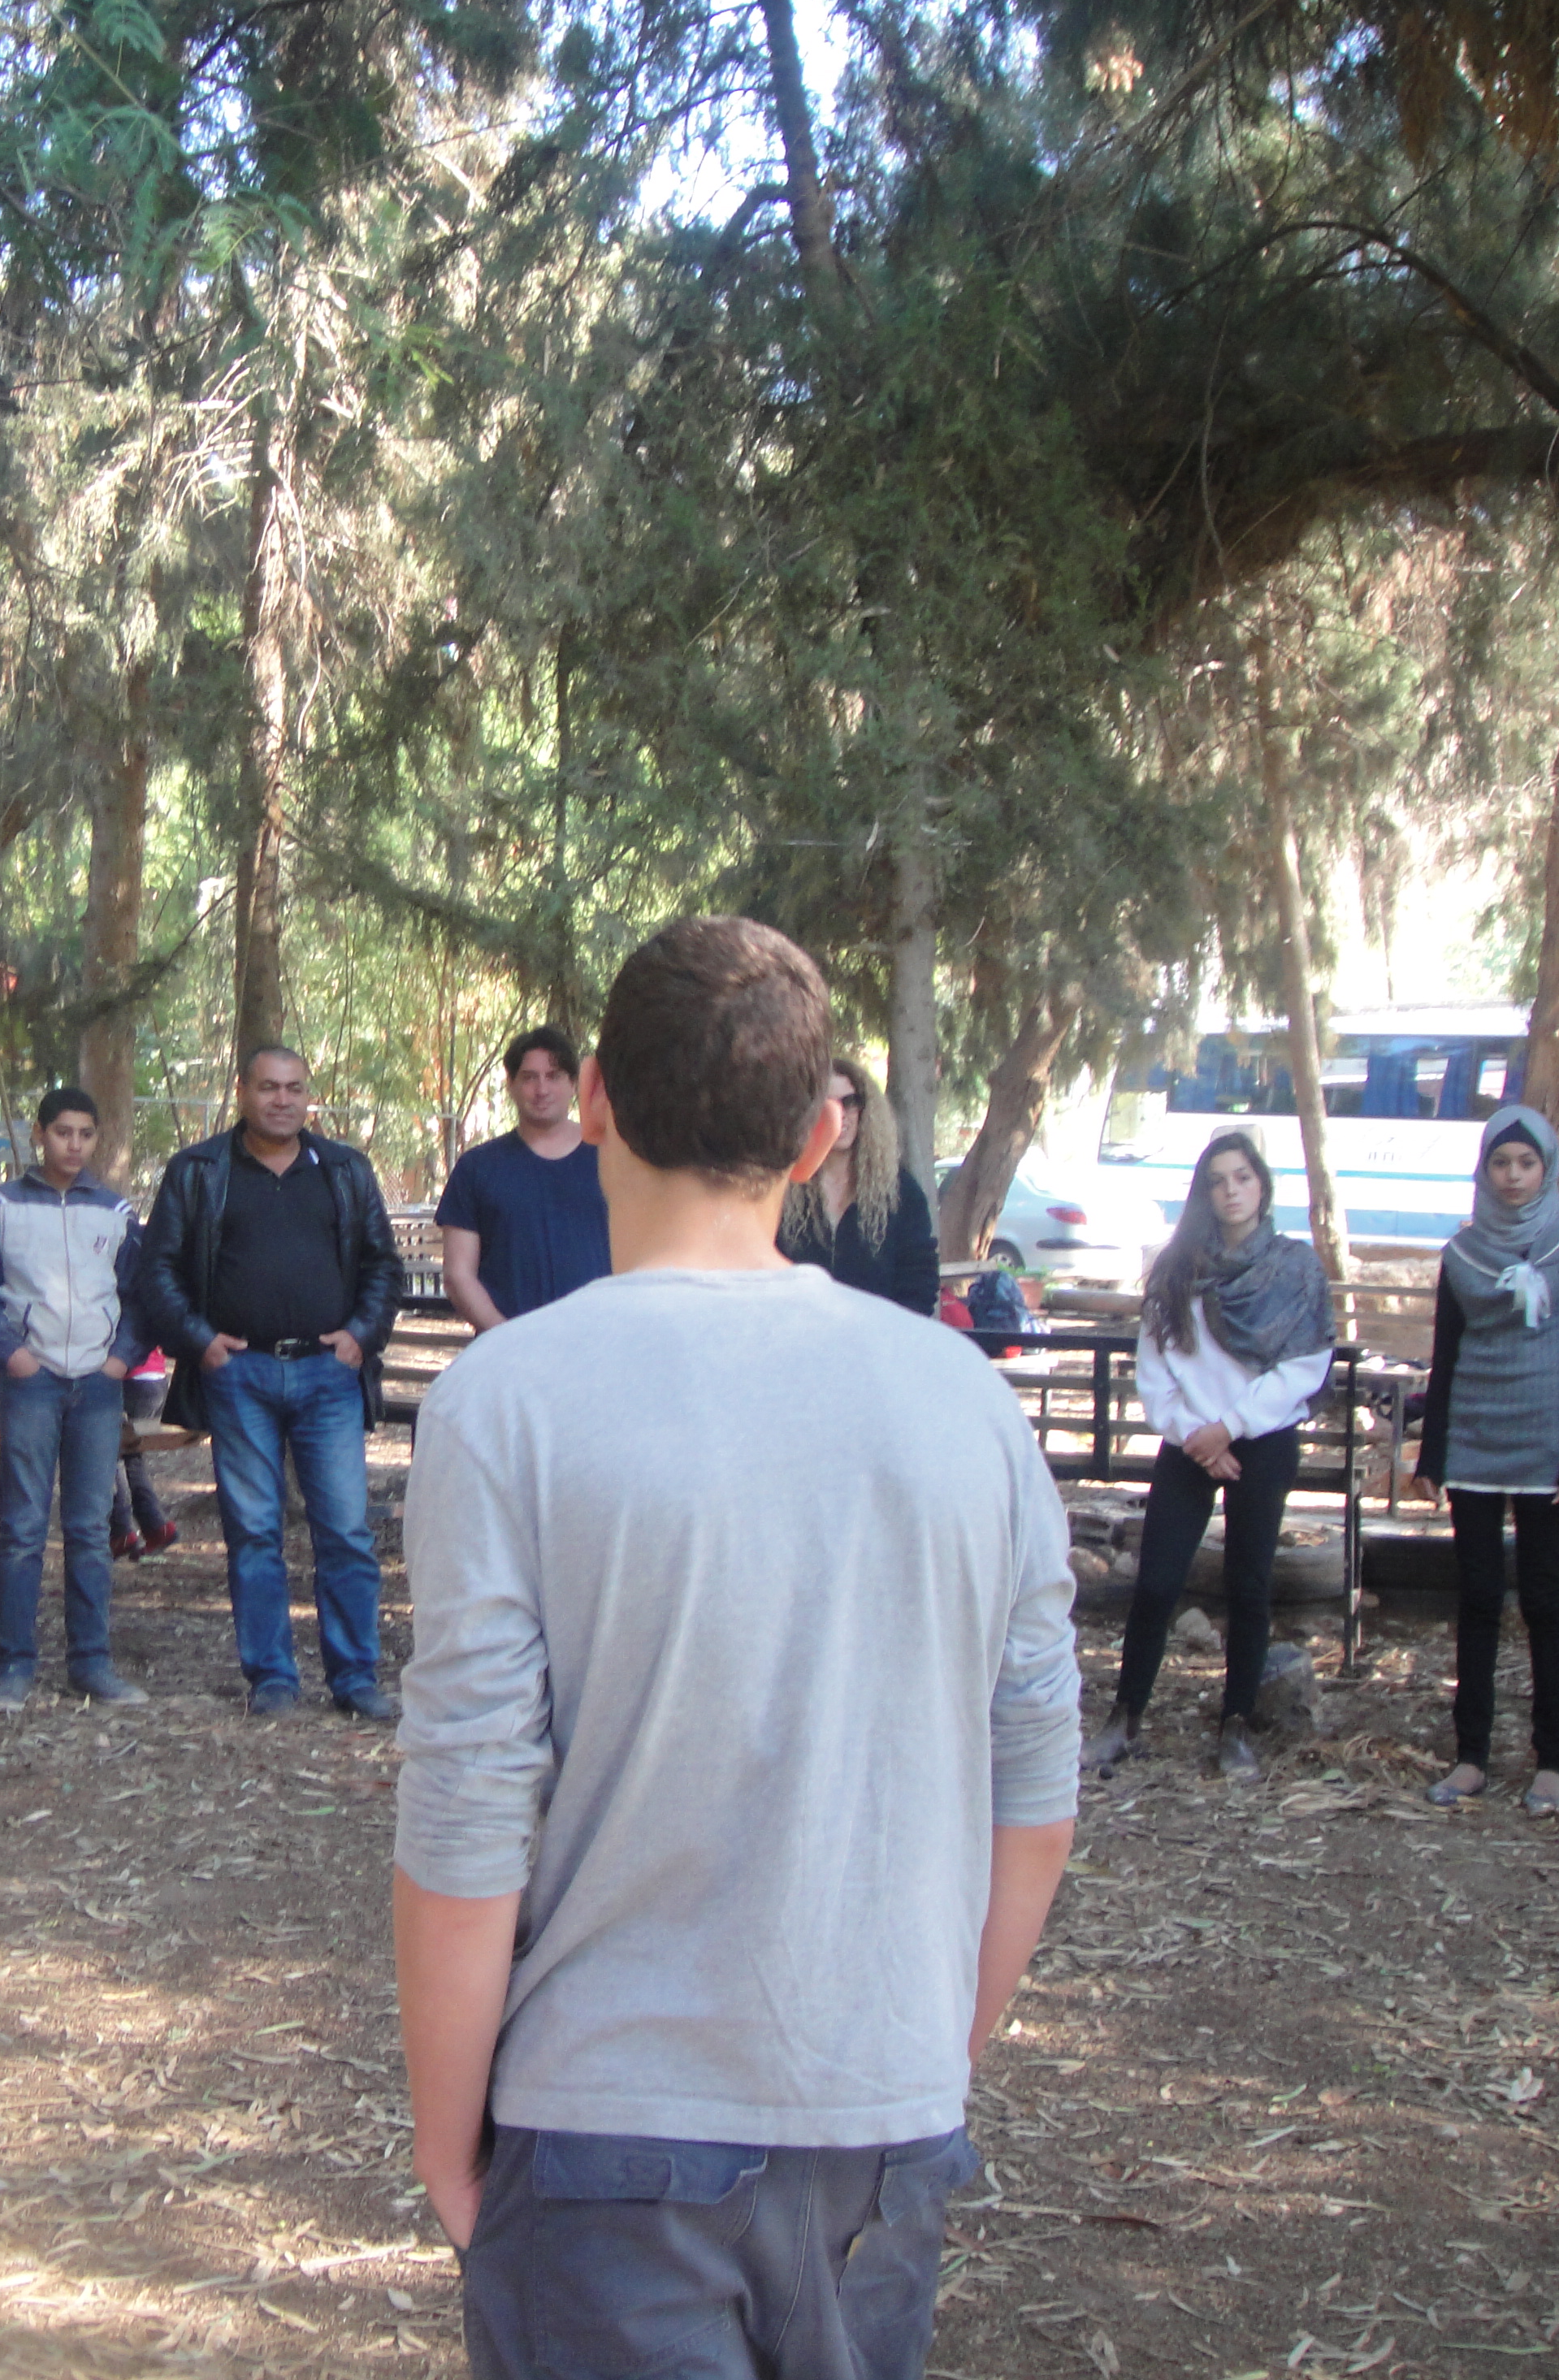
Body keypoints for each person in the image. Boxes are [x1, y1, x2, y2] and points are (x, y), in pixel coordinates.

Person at [394, 916, 1080, 2380]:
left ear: (597, 1110)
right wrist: (933, 2051)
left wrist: (449, 2151)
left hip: (603, 2126)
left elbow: (466, 1825)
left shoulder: (508, 1403)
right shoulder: (966, 1403)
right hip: (880, 2126)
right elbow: (1038, 1784)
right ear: (828, 1132)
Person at [133, 1045, 404, 1720]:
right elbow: (157, 1271)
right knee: (253, 1531)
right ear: (242, 1092)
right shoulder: (198, 1171)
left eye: (294, 1088)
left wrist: (360, 1336)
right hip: (239, 1376)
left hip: (327, 1374)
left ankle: (356, 1678)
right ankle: (273, 1680)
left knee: (344, 1529)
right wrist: (200, 1342)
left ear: (308, 1096)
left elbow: (383, 1267)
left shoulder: (344, 1171)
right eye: (268, 1088)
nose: (282, 1099)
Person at [1084, 1132, 1333, 1785]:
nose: (1232, 1191)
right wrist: (1197, 1433)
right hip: (1188, 1443)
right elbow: (1156, 1367)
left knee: (1249, 1587)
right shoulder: (1178, 1270)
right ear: (1204, 1191)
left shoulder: (1293, 1269)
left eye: (1243, 1177)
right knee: (1158, 1583)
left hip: (1261, 1439)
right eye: (1219, 1180)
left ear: (1262, 1185)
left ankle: (1236, 1727)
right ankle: (1125, 1718)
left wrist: (1232, 1427)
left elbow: (1304, 1365)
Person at [1408, 1106, 1559, 1815]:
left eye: (1526, 1164)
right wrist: (1433, 1451)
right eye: (1501, 1164)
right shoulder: (1461, 1254)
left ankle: (1551, 1761)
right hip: (1475, 1439)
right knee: (1480, 1598)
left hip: (1547, 1444)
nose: (1514, 1176)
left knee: (1544, 1599)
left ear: (1548, 1170)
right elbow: (1446, 1353)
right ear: (1484, 1172)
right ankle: (1471, 1757)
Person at [0, 1085, 149, 1712]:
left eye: (85, 1134)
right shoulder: (3, 1205)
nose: (74, 1144)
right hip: (31, 1382)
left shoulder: (116, 1211)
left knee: (91, 1529)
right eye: (62, 1132)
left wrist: (119, 1358)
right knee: (20, 1529)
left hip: (97, 1384)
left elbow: (141, 1295)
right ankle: (13, 1667)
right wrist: (8, 1351)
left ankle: (91, 1664)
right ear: (40, 1134)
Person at [435, 1024, 610, 1329]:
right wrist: (508, 1340)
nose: (542, 1090)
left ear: (573, 1084)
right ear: (512, 1085)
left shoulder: (611, 1160)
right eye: (529, 1078)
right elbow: (458, 1275)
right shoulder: (477, 1168)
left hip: (600, 1347)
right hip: (507, 1356)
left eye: (553, 1077)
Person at [777, 1050, 941, 1314]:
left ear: (865, 1109)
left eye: (849, 1101)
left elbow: (919, 1283)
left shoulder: (901, 1193)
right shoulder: (781, 1189)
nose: (840, 1113)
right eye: (826, 1102)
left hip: (877, 1344)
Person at [107, 1346, 177, 1560]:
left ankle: (121, 1531)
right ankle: (155, 1527)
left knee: (109, 1454)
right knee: (130, 1456)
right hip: (156, 1377)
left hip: (131, 1377)